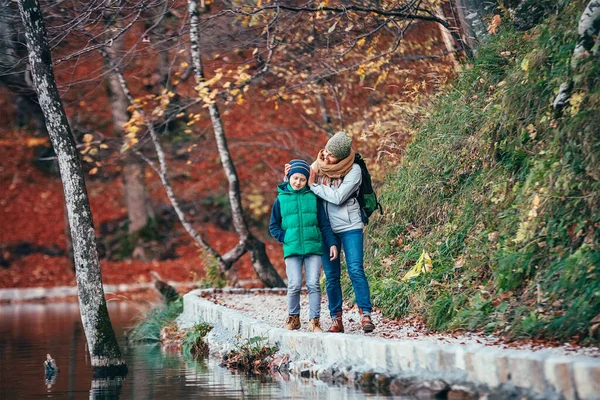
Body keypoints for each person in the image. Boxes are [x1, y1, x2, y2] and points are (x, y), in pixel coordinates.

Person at [289, 131, 375, 333]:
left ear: (343, 157)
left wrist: (315, 186)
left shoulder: (354, 171)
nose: (326, 156)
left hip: (350, 226)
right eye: (326, 151)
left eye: (331, 155)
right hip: (326, 230)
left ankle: (365, 315)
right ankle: (336, 318)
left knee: (355, 269)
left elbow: (338, 197)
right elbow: (298, 184)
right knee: (331, 275)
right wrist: (289, 173)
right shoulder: (317, 166)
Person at [269, 159, 338, 333]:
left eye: (302, 179)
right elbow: (273, 226)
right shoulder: (281, 199)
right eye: (295, 178)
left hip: (313, 248)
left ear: (307, 180)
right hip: (292, 249)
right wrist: (286, 237)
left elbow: (324, 224)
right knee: (294, 285)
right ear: (289, 178)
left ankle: (314, 321)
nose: (298, 182)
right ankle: (293, 318)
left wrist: (332, 243)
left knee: (314, 284)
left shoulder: (313, 197)